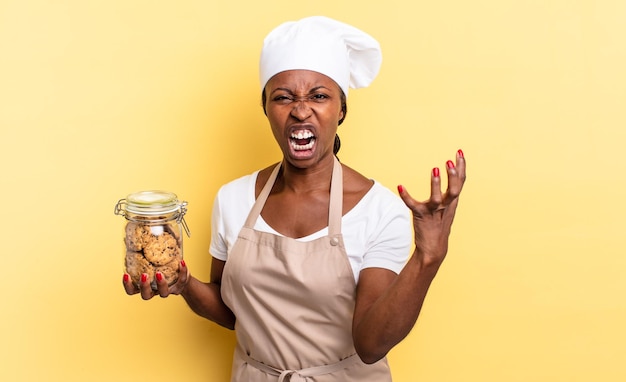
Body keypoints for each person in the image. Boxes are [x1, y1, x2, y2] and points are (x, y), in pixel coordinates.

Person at [123, 15, 466, 381]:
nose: (301, 110)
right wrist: (184, 284)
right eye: (283, 97)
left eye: (319, 96)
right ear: (266, 108)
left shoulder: (379, 210)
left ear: (341, 109)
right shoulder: (233, 199)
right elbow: (233, 310)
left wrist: (427, 258)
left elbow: (370, 344)